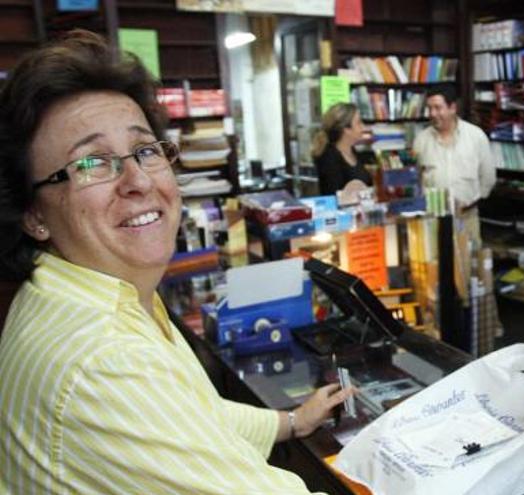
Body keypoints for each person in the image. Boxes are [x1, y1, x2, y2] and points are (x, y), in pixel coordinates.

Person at [0, 30, 352, 494]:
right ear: (33, 213)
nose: (138, 181)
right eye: (91, 164)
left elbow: (185, 412)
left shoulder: (92, 294)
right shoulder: (105, 359)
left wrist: (289, 421)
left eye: (145, 150)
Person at [413, 85, 496, 243]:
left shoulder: (475, 136)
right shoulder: (421, 140)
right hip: (432, 220)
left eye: (438, 108)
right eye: (429, 108)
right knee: (435, 266)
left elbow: (488, 178)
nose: (432, 114)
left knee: (467, 265)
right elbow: (416, 179)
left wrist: (472, 202)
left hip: (467, 218)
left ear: (452, 108)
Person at [312, 102, 373, 195]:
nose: (363, 127)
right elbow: (332, 195)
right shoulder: (329, 157)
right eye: (359, 123)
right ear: (346, 129)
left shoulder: (352, 151)